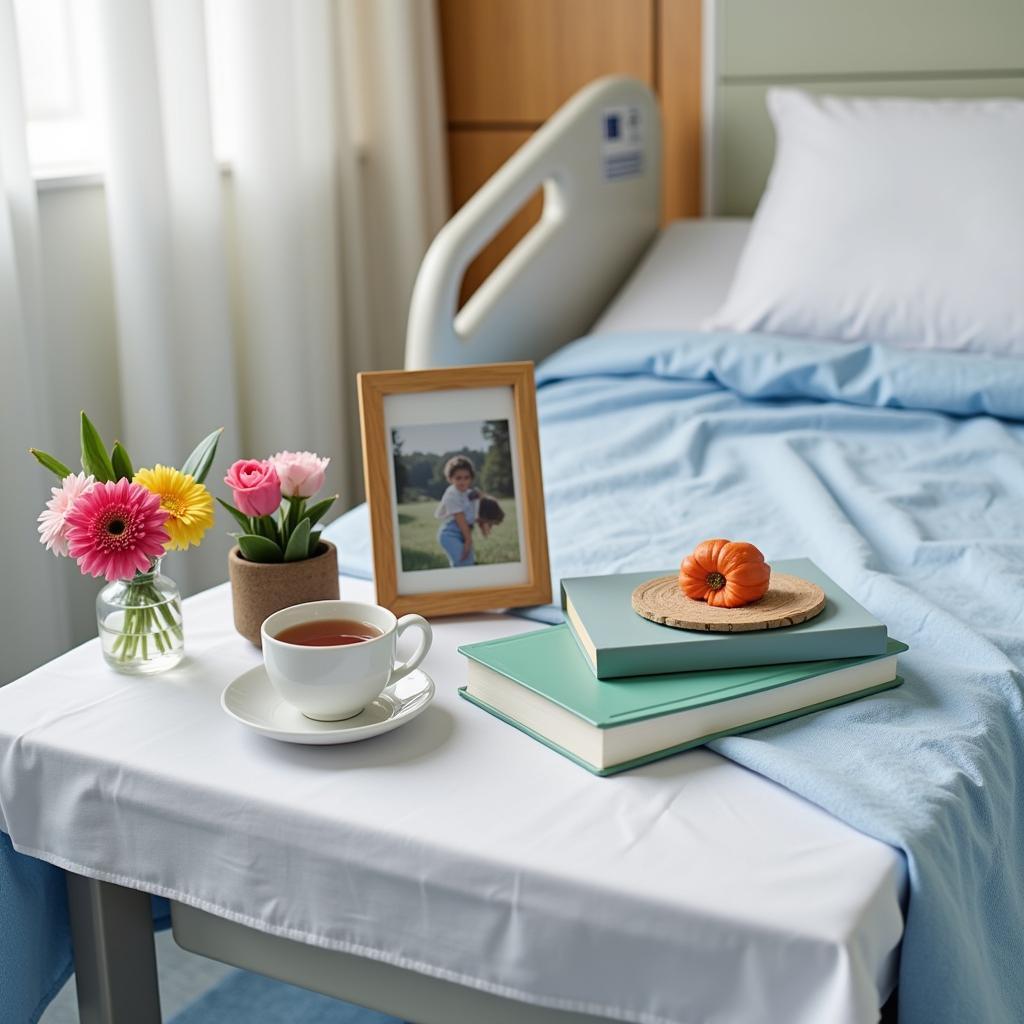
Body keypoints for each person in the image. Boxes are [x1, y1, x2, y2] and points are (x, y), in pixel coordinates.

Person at [435, 455, 477, 566]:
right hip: (450, 534)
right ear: (450, 479)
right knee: (463, 562)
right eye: (458, 478)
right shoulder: (451, 495)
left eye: (466, 477)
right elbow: (460, 519)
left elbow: (476, 502)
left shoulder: (467, 492)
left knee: (469, 561)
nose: (463, 481)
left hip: (463, 531)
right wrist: (468, 541)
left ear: (471, 478)